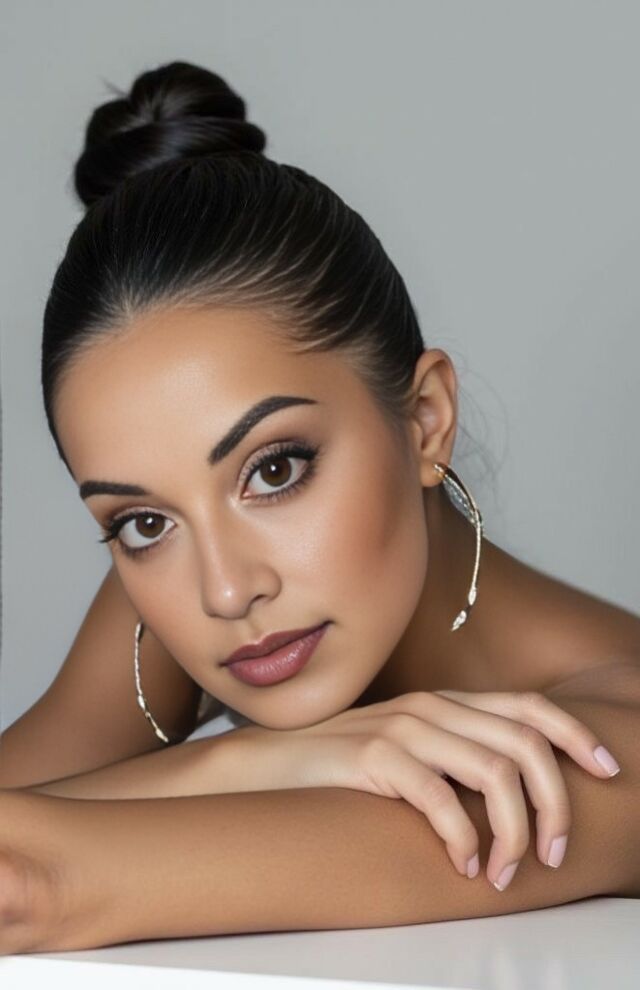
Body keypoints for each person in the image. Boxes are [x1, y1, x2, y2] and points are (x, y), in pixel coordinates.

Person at [0, 61, 639, 955]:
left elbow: (25, 887)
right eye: (143, 522)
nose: (226, 591)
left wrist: (224, 769)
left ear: (425, 419)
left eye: (274, 471)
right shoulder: (194, 605)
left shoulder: (607, 744)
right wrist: (247, 761)